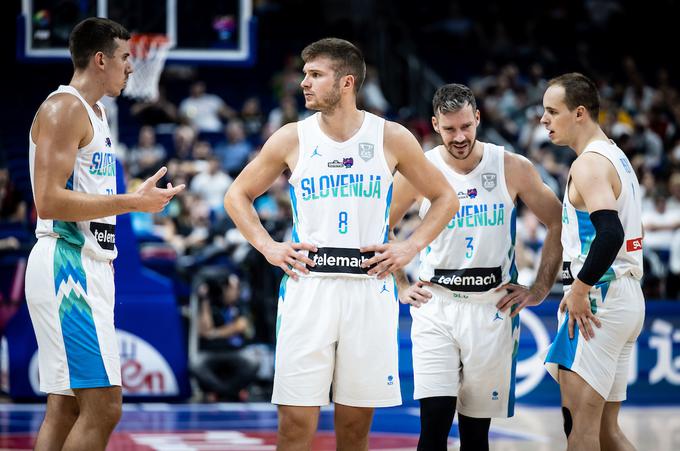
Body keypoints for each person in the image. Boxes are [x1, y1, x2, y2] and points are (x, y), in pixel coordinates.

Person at [224, 38, 458, 451]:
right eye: (305, 74)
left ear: (346, 82)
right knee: (294, 426)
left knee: (354, 431)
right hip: (308, 286)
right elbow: (236, 195)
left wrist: (407, 248)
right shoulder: (291, 138)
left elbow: (446, 198)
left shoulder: (391, 137)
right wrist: (268, 246)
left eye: (315, 74)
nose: (304, 83)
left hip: (369, 288)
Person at [25, 17, 185, 451]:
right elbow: (50, 201)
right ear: (100, 60)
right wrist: (132, 202)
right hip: (68, 265)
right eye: (125, 58)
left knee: (67, 408)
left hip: (88, 263)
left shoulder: (96, 112)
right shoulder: (64, 108)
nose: (132, 67)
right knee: (104, 406)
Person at [389, 83, 563, 451]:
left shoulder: (512, 166)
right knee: (432, 429)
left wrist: (540, 289)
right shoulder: (420, 170)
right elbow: (379, 224)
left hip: (491, 308)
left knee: (475, 436)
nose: (459, 136)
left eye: (466, 126)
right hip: (435, 304)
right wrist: (400, 283)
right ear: (435, 124)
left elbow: (558, 221)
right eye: (450, 129)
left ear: (478, 119)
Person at [541, 73, 644, 451]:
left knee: (580, 432)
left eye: (553, 111)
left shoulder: (588, 164)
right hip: (625, 296)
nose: (544, 120)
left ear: (580, 113)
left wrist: (581, 288)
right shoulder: (616, 156)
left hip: (597, 302)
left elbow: (610, 233)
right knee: (606, 432)